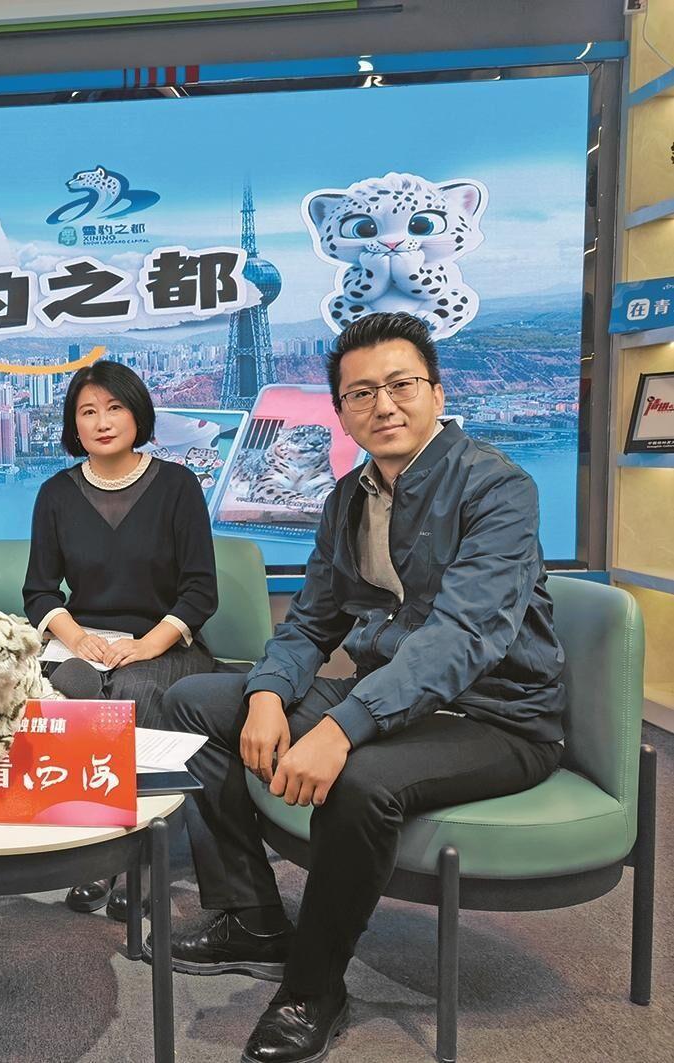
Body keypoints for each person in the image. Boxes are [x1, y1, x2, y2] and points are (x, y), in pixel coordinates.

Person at [158, 313, 567, 1063]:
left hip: (495, 717)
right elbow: (310, 621)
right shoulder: (347, 496)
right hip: (390, 700)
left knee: (359, 781)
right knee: (194, 703)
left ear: (436, 392)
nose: (383, 405)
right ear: (342, 411)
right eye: (360, 393)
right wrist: (265, 695)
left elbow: (462, 636)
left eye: (400, 385)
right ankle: (252, 916)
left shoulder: (498, 487)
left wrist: (342, 726)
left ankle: (312, 988)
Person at [23, 360, 219, 916]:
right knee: (69, 689)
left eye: (115, 408)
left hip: (162, 642)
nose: (103, 422)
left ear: (138, 415)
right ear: (74, 425)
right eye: (88, 412)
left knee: (134, 691)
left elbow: (200, 590)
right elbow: (39, 591)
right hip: (85, 640)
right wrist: (76, 637)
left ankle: (140, 860)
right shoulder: (56, 493)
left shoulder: (177, 485)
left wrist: (148, 643)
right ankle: (89, 850)